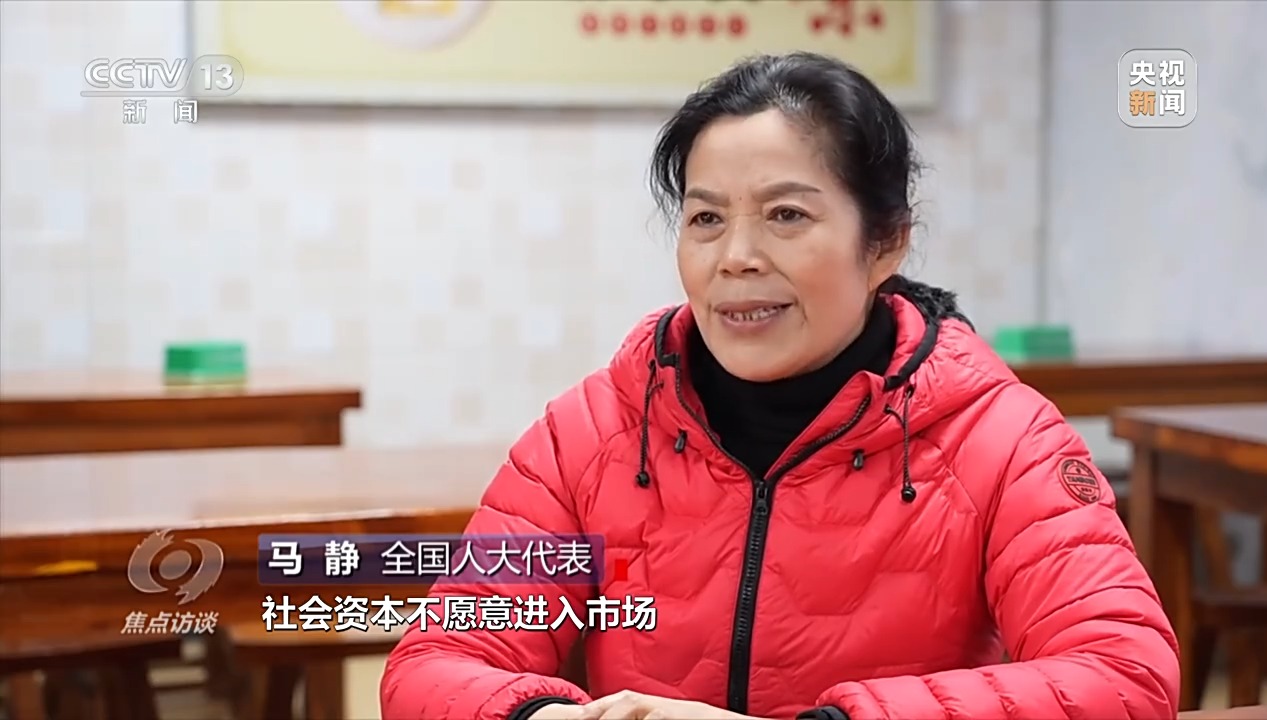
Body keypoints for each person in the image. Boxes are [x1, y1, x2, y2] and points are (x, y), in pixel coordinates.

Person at [381, 52, 1179, 720]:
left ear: (885, 243)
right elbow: (437, 662)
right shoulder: (590, 432)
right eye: (705, 219)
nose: (736, 258)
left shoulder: (1002, 440)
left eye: (786, 216)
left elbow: (1124, 676)